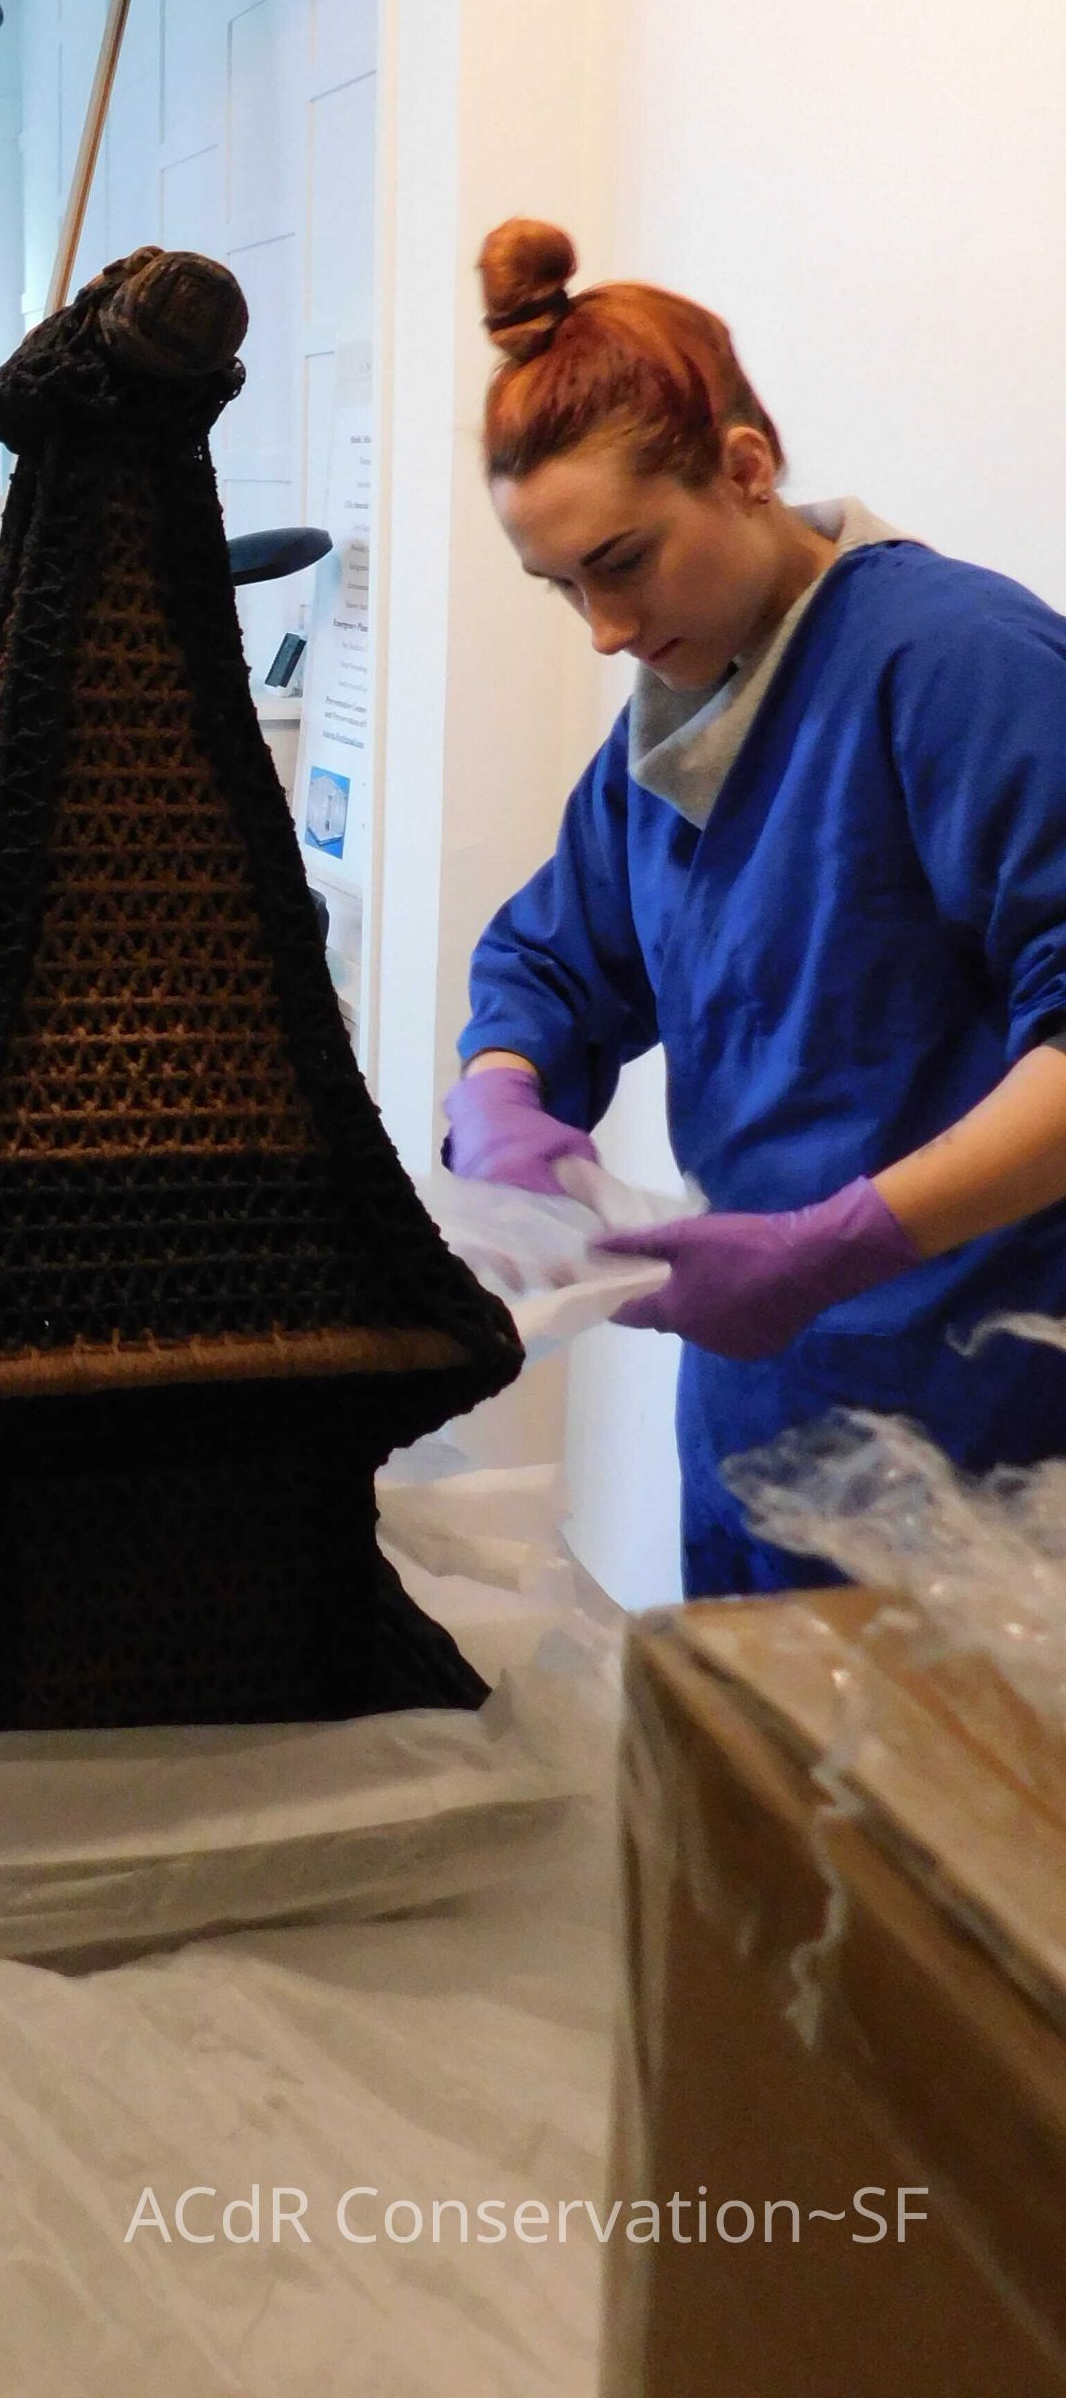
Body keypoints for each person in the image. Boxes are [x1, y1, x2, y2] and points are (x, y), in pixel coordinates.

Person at [443, 218, 1066, 1597]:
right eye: (562, 588)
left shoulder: (958, 665)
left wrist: (835, 1246)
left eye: (624, 561)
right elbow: (554, 960)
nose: (605, 629)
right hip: (762, 1419)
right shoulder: (687, 706)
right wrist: (501, 1093)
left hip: (981, 1428)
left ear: (744, 466)